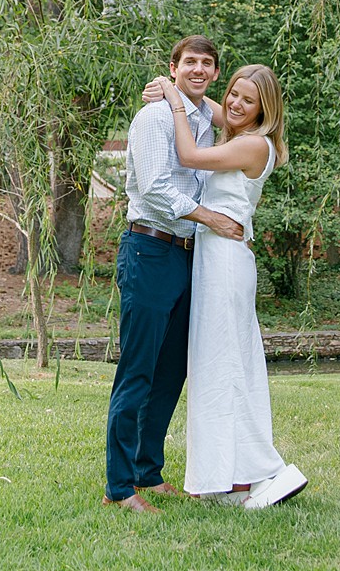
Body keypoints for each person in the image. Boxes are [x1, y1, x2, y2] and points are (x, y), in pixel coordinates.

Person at [104, 36, 246, 515]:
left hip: (188, 256)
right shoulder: (154, 117)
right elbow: (157, 188)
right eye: (190, 63)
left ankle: (148, 470)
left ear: (215, 73)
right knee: (138, 370)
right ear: (174, 67)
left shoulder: (204, 119)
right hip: (149, 248)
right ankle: (120, 487)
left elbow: (252, 117)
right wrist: (209, 217)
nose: (199, 70)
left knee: (170, 371)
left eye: (208, 64)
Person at [158, 63, 307, 509]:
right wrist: (186, 86)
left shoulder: (252, 146)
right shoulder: (241, 131)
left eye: (248, 99)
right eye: (234, 94)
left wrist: (173, 99)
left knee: (227, 363)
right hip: (214, 256)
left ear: (266, 109)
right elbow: (214, 106)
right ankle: (229, 479)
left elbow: (188, 156)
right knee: (217, 363)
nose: (236, 103)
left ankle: (262, 470)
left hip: (224, 260)